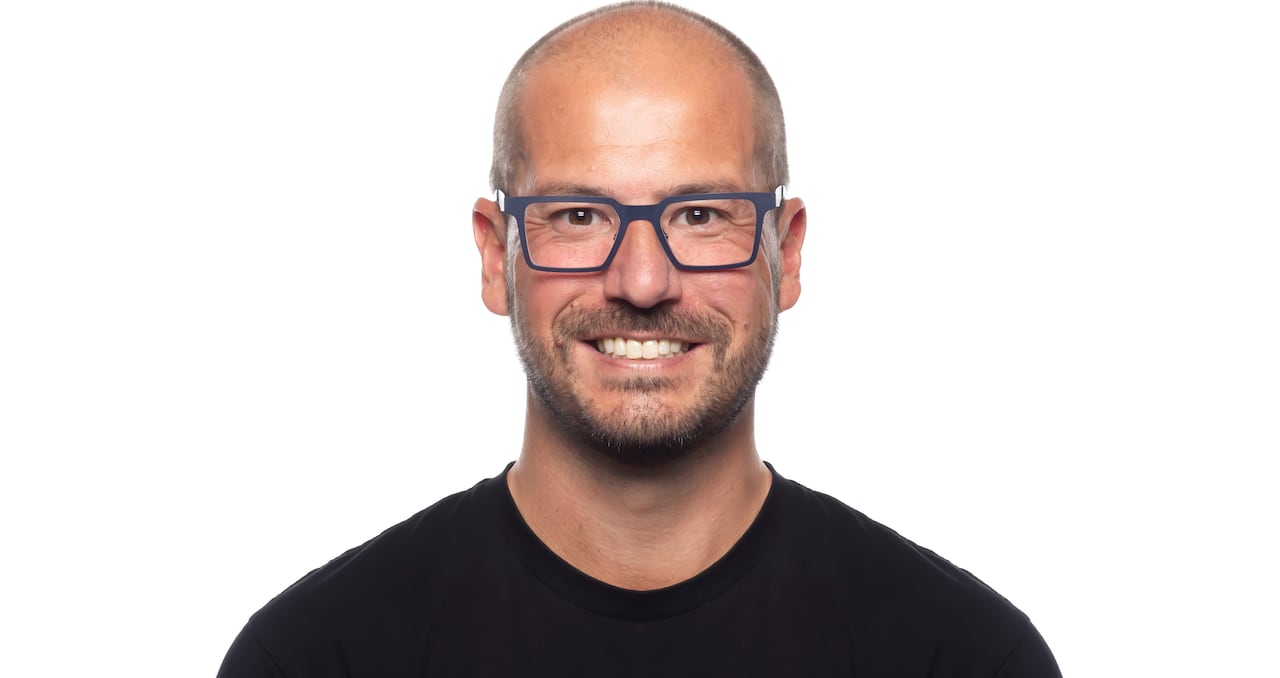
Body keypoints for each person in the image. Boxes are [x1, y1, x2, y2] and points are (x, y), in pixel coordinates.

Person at [217, 2, 1061, 675]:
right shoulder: (320, 657)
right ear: (493, 255)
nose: (643, 282)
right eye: (579, 216)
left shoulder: (960, 657)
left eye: (699, 215)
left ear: (787, 253)